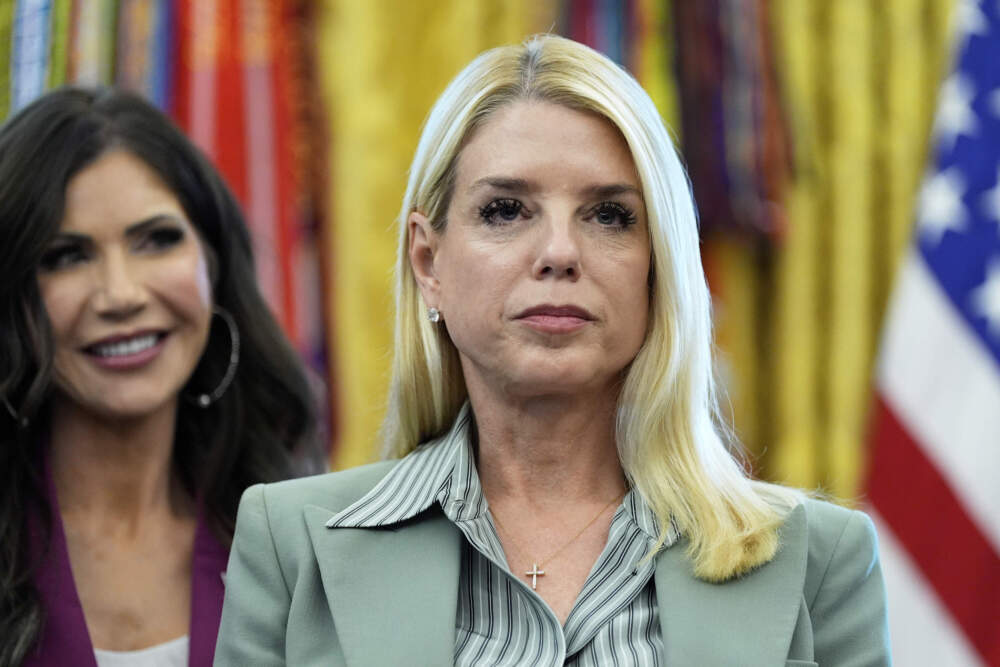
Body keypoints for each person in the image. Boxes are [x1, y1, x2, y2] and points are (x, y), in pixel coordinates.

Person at [216, 34, 890, 665]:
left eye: (610, 215)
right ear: (429, 262)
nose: (560, 253)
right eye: (506, 210)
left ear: (660, 269)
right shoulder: (290, 543)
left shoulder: (818, 561)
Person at [0, 87, 321, 666]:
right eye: (67, 255)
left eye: (157, 239)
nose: (121, 294)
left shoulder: (299, 538)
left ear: (213, 262)